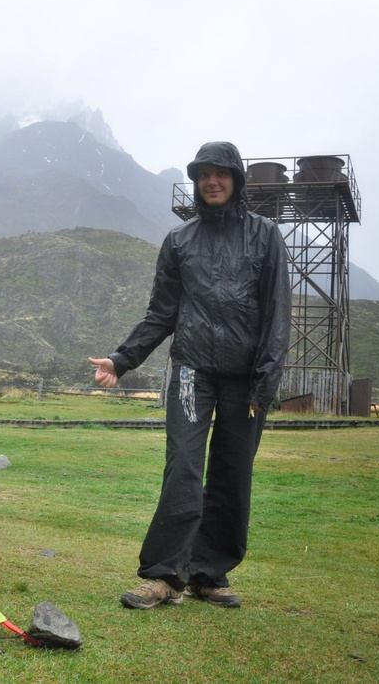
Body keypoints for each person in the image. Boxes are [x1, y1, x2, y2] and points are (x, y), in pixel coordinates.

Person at [89, 141, 290, 610]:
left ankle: (208, 572)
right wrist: (122, 359)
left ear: (236, 180)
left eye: (221, 173)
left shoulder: (265, 236)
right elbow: (161, 313)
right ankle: (163, 576)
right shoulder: (180, 242)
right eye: (203, 175)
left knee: (232, 473)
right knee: (182, 467)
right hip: (191, 373)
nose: (211, 181)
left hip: (247, 379)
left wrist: (266, 382)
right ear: (197, 183)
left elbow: (278, 314)